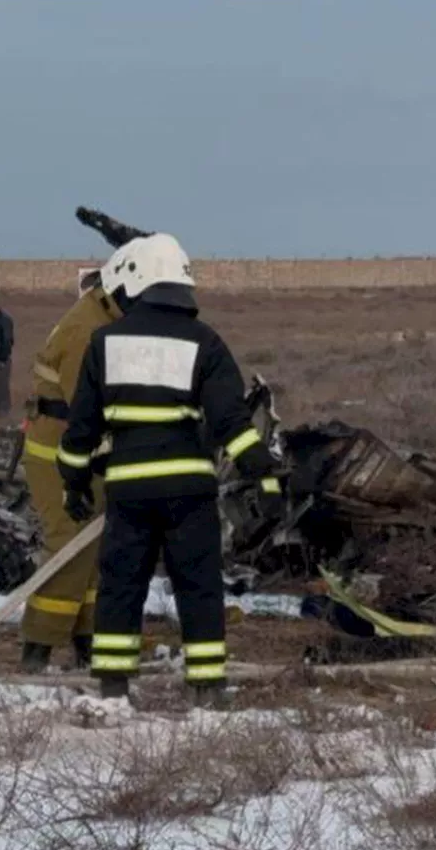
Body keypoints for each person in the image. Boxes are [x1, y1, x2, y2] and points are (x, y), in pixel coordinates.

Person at [56, 233, 282, 705]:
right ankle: (207, 687)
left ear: (134, 280)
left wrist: (74, 483)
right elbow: (232, 424)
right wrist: (264, 476)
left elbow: (79, 431)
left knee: (121, 586)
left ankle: (114, 686)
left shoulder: (105, 343)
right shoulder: (206, 342)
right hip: (189, 493)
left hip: (129, 493)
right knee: (198, 588)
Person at [17, 268, 122, 673]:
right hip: (59, 454)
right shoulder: (86, 332)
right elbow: (89, 405)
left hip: (83, 452)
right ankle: (39, 643)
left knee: (93, 550)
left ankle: (88, 637)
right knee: (69, 544)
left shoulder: (101, 320)